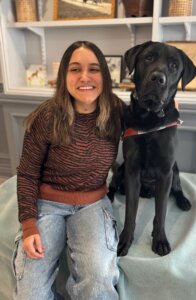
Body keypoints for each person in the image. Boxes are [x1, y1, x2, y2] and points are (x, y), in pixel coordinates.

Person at [12, 40, 124, 300]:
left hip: (93, 204)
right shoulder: (47, 117)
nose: (85, 77)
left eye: (94, 69)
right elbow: (27, 174)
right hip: (47, 204)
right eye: (75, 69)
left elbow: (148, 127)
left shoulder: (117, 111)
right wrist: (29, 226)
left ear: (104, 76)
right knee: (30, 294)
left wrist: (170, 114)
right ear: (64, 76)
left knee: (98, 282)